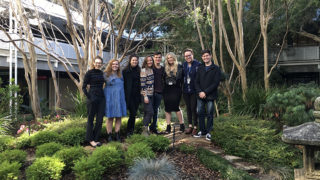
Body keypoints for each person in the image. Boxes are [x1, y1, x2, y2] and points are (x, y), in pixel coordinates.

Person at [194, 49, 221, 141]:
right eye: (203, 56)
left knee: (210, 113)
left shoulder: (216, 68)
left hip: (210, 95)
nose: (205, 57)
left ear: (210, 56)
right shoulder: (200, 68)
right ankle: (202, 131)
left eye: (207, 55)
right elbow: (196, 82)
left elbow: (216, 83)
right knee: (200, 112)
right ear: (202, 58)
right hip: (200, 95)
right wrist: (200, 92)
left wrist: (205, 92)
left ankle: (209, 132)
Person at [82, 56, 105, 148]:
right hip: (92, 97)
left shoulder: (102, 73)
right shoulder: (89, 73)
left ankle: (96, 139)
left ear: (101, 64)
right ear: (94, 63)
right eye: (96, 62)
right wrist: (89, 97)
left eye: (99, 62)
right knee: (91, 119)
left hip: (101, 98)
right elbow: (83, 87)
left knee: (100, 120)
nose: (98, 64)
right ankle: (90, 140)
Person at [104, 59, 127, 142]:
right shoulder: (106, 74)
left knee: (118, 117)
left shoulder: (121, 74)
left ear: (118, 66)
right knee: (110, 117)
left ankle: (117, 134)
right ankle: (109, 135)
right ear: (110, 65)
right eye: (113, 64)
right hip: (110, 98)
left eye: (116, 64)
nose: (115, 65)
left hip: (119, 98)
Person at [163, 52, 185, 133]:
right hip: (167, 89)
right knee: (167, 108)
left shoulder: (179, 66)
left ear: (174, 58)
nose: (170, 59)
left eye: (171, 57)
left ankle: (182, 124)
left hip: (176, 89)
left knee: (176, 107)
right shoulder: (165, 67)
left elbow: (182, 78)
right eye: (168, 58)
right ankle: (168, 126)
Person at [182, 49, 200, 135]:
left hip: (194, 90)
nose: (188, 57)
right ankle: (190, 126)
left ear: (192, 55)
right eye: (186, 56)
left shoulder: (198, 64)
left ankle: (195, 127)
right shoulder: (184, 65)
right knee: (188, 108)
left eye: (189, 55)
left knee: (193, 108)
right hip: (185, 90)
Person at [123, 55, 141, 137]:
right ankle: (128, 131)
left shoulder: (139, 71)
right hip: (128, 96)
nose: (135, 61)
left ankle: (131, 130)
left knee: (133, 114)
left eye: (136, 60)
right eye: (133, 60)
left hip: (137, 96)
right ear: (130, 61)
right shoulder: (125, 71)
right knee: (132, 112)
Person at [150, 52, 165, 134]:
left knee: (156, 111)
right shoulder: (150, 68)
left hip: (159, 92)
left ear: (161, 58)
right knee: (149, 111)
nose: (157, 59)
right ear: (153, 58)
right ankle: (147, 127)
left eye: (159, 57)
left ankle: (154, 128)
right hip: (150, 93)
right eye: (156, 57)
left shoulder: (163, 69)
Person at [140, 56, 155, 136]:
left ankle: (146, 130)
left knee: (146, 112)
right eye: (148, 60)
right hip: (145, 95)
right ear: (145, 62)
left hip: (151, 94)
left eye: (151, 60)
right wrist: (145, 96)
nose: (150, 62)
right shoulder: (143, 70)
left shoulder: (151, 70)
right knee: (150, 112)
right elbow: (142, 84)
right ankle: (144, 131)